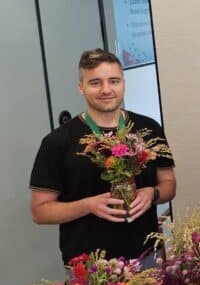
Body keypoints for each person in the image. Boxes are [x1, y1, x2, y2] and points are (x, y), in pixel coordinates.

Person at [30, 49, 176, 269]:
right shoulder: (58, 141)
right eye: (95, 83)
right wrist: (88, 205)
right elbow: (40, 211)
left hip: (144, 257)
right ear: (81, 87)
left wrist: (152, 193)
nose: (106, 89)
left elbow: (169, 184)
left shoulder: (149, 128)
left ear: (123, 83)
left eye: (114, 81)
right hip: (89, 265)